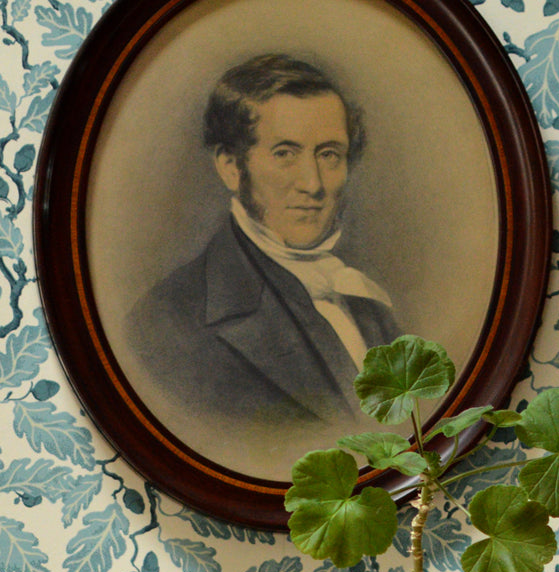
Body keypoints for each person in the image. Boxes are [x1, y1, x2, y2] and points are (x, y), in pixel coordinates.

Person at [129, 54, 400, 434]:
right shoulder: (168, 322)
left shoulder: (370, 303)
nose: (313, 184)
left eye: (329, 155)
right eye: (285, 154)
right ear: (230, 166)